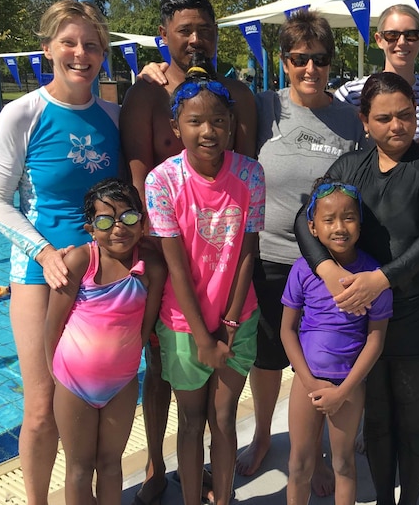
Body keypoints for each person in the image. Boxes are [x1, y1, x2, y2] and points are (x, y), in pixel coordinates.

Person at [295, 71, 419, 505]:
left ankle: (409, 501)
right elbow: (304, 218)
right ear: (364, 120)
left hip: (415, 311)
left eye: (406, 115)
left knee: (411, 411)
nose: (397, 126)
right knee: (379, 416)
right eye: (384, 118)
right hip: (363, 319)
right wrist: (328, 272)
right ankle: (385, 499)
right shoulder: (352, 165)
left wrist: (381, 279)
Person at [119, 0, 257, 505]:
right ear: (164, 37)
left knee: (209, 392)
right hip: (161, 255)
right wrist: (149, 252)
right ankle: (158, 466)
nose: (197, 39)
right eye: (185, 30)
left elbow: (241, 180)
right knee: (161, 371)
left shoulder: (236, 95)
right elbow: (137, 172)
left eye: (205, 29)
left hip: (220, 256)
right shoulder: (146, 95)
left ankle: (204, 475)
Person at [0, 0, 120, 505]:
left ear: (103, 53)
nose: (80, 53)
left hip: (104, 279)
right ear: (47, 49)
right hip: (42, 275)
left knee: (93, 403)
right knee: (41, 407)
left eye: (90, 44)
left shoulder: (114, 115)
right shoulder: (23, 114)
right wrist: (43, 253)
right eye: (69, 42)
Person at [236, 9, 367, 496]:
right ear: (283, 61)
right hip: (272, 257)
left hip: (328, 267)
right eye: (299, 59)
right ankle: (266, 436)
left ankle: (330, 451)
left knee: (329, 360)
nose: (310, 69)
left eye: (319, 59)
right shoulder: (266, 107)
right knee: (269, 360)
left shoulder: (348, 121)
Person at [144, 60, 265, 505]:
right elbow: (176, 266)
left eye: (218, 120)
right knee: (192, 422)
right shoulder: (163, 180)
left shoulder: (250, 173)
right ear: (177, 126)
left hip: (238, 317)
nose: (208, 130)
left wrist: (228, 327)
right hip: (182, 323)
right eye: (195, 121)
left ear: (231, 125)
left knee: (225, 420)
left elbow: (247, 253)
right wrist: (201, 336)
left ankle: (225, 498)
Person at [45, 178, 166, 505]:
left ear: (142, 221)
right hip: (73, 383)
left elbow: (146, 324)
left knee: (111, 466)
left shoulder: (151, 266)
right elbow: (52, 325)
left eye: (128, 217)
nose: (118, 228)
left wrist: (126, 362)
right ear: (90, 228)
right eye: (105, 221)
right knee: (79, 469)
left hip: (121, 384)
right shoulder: (81, 261)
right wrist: (56, 376)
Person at [281, 178, 393, 505]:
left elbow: (376, 339)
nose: (339, 227)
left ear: (360, 224)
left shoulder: (373, 275)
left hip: (349, 385)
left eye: (348, 217)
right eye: (328, 220)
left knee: (344, 462)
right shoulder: (303, 270)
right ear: (312, 228)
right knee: (299, 463)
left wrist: (342, 392)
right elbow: (287, 330)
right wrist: (309, 381)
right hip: (307, 382)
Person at [334, 4, 419, 144]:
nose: (402, 42)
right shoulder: (351, 94)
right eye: (392, 35)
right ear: (379, 40)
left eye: (411, 35)